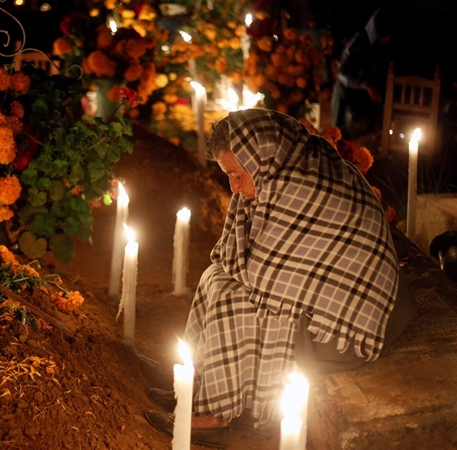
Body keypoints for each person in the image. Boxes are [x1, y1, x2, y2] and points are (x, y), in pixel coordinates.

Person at [144, 108, 418, 449]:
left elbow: (265, 281)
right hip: (312, 294)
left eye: (237, 175)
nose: (233, 186)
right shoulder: (276, 171)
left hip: (346, 325)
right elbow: (237, 261)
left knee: (234, 303)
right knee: (215, 278)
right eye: (228, 175)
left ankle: (214, 417)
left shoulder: (303, 186)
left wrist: (238, 279)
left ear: (261, 156)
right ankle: (196, 384)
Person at [330, 7, 394, 140]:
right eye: (386, 36)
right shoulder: (358, 44)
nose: (388, 40)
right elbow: (342, 73)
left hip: (367, 102)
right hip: (350, 98)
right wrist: (366, 85)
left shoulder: (381, 47)